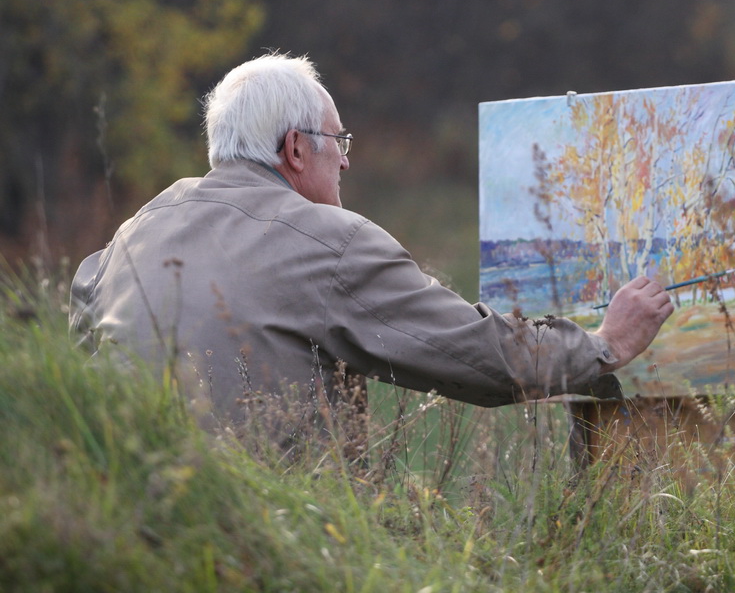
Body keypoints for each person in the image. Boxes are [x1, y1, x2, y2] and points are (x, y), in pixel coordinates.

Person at [70, 53, 672, 428]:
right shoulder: (326, 241)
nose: (346, 162)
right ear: (295, 148)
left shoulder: (133, 232)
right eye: (340, 141)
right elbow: (481, 357)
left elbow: (83, 341)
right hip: (270, 545)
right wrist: (604, 345)